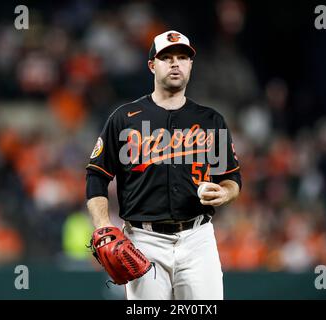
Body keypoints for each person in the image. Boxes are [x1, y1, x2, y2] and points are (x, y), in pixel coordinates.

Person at [85, 30, 241, 300]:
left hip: (197, 238)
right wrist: (102, 225)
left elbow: (232, 178)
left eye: (182, 57)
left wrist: (225, 193)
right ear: (152, 65)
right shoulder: (124, 119)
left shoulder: (210, 120)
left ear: (191, 65)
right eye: (166, 57)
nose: (175, 63)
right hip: (143, 241)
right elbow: (96, 176)